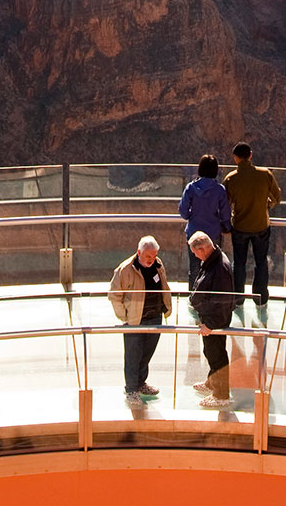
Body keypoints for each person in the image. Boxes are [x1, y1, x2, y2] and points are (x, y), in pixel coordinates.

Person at [109, 236, 172, 406]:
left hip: (155, 317)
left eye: (154, 256)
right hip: (135, 320)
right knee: (133, 356)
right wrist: (125, 316)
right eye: (147, 257)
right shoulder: (125, 269)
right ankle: (131, 390)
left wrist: (166, 307)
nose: (151, 260)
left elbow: (164, 286)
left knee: (146, 354)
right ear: (139, 253)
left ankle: (140, 383)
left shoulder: (158, 264)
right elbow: (114, 295)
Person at [222, 142, 281, 312]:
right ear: (251, 155)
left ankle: (238, 298)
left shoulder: (231, 178)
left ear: (235, 158)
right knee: (261, 261)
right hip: (261, 226)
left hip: (240, 226)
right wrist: (266, 205)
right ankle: (260, 298)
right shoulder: (265, 175)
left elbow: (225, 204)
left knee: (239, 263)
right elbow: (277, 196)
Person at [188, 230, 239, 408]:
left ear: (202, 249)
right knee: (211, 352)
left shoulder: (219, 268)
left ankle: (221, 395)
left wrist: (210, 324)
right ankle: (212, 383)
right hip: (211, 318)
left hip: (214, 321)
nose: (195, 257)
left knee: (216, 355)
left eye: (195, 253)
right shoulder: (212, 260)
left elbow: (222, 301)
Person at [178, 155, 231, 288]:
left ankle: (194, 297)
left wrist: (192, 216)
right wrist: (226, 226)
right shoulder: (220, 190)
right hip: (213, 233)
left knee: (195, 268)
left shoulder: (191, 188)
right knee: (214, 267)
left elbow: (183, 211)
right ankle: (212, 295)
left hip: (194, 231)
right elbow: (225, 213)